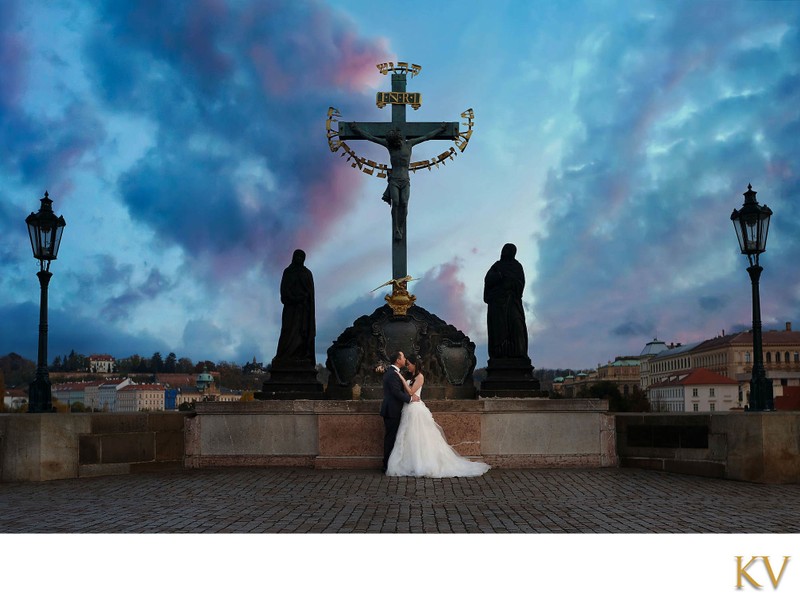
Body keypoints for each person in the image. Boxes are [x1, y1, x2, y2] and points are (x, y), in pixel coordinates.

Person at [386, 354, 491, 478]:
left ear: (415, 364)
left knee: (419, 436)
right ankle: (408, 463)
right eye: (407, 363)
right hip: (408, 408)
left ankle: (422, 463)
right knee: (408, 436)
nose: (407, 366)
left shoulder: (420, 376)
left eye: (409, 364)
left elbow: (410, 392)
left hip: (416, 410)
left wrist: (401, 379)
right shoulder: (410, 376)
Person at [349, 122, 448, 240]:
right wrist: (357, 130)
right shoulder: (389, 145)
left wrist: (440, 130)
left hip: (405, 180)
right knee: (395, 203)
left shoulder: (409, 144)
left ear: (399, 139)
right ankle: (396, 229)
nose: (394, 144)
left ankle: (400, 228)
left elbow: (426, 137)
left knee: (404, 203)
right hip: (394, 180)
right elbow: (371, 138)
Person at [484, 243, 528, 359]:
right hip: (497, 304)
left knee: (517, 324)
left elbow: (520, 283)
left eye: (509, 250)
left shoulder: (517, 266)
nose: (506, 251)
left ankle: (519, 353)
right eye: (505, 249)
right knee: (499, 330)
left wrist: (511, 283)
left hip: (512, 301)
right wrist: (499, 277)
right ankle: (500, 354)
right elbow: (488, 281)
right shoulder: (497, 266)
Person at [380, 351, 419, 473]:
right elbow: (396, 392)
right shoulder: (392, 374)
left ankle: (391, 464)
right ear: (398, 360)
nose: (405, 359)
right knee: (391, 438)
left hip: (394, 410)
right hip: (392, 410)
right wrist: (411, 399)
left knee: (393, 438)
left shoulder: (393, 372)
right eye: (403, 357)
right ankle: (387, 466)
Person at [275, 249, 316, 363]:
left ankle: (301, 355)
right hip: (291, 308)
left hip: (303, 310)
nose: (299, 259)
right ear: (293, 257)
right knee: (287, 331)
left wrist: (304, 297)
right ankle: (284, 356)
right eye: (297, 257)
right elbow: (284, 290)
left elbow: (310, 294)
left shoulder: (307, 273)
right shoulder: (288, 272)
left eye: (301, 257)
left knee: (302, 334)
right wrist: (294, 297)